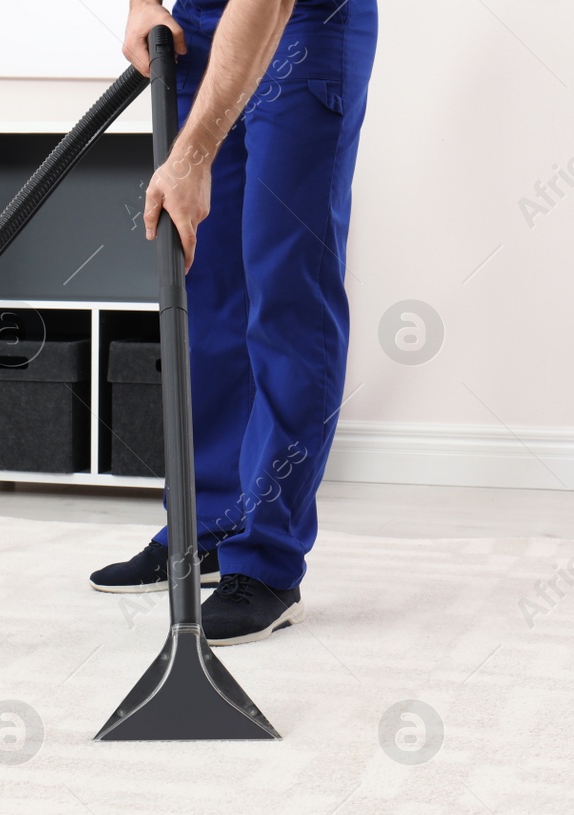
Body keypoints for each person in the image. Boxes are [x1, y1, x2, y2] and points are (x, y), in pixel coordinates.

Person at [89, 0, 379, 645]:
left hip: (304, 23)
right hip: (201, 25)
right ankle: (206, 531)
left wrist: (193, 158)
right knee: (210, 291)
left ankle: (267, 562)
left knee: (285, 295)